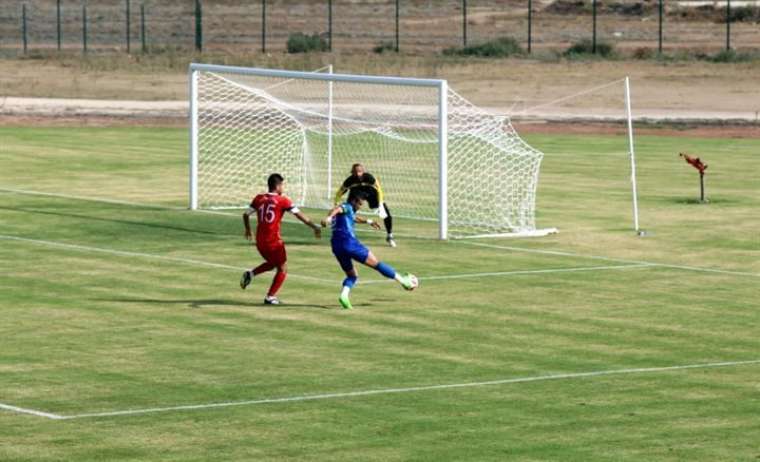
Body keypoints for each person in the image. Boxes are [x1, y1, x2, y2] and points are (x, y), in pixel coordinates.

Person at [322, 189, 416, 310]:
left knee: (352, 276)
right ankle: (404, 281)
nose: (360, 206)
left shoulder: (348, 210)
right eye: (360, 204)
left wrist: (368, 221)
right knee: (376, 264)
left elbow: (353, 217)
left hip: (336, 246)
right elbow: (339, 209)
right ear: (354, 200)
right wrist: (329, 218)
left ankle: (344, 295)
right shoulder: (346, 206)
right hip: (349, 243)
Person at [241, 173, 321, 305]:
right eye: (282, 185)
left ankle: (251, 274)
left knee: (273, 263)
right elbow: (299, 215)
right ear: (278, 186)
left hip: (259, 241)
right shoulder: (283, 200)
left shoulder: (259, 198)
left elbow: (245, 214)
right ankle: (270, 297)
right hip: (273, 241)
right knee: (283, 268)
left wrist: (248, 229)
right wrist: (314, 226)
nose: (283, 187)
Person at [334, 163, 396, 247]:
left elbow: (379, 190)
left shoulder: (370, 178)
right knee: (349, 213)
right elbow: (339, 193)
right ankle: (348, 235)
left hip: (371, 193)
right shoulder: (349, 181)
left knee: (385, 213)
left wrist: (380, 204)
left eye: (359, 172)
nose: (358, 174)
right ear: (352, 172)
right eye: (355, 172)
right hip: (356, 193)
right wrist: (336, 204)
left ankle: (390, 235)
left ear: (363, 171)